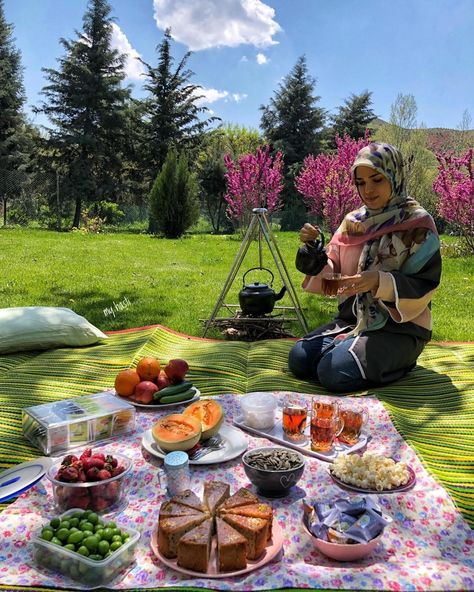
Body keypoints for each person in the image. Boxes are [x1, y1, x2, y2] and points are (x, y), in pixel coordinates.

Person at [288, 142, 442, 392]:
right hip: (352, 321)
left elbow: (425, 286)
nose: (368, 190)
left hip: (400, 330)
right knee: (300, 359)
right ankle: (350, 351)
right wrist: (314, 256)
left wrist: (380, 282)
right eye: (360, 182)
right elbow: (332, 283)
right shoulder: (353, 223)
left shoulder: (418, 225)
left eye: (377, 179)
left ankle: (402, 362)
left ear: (395, 176)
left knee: (332, 371)